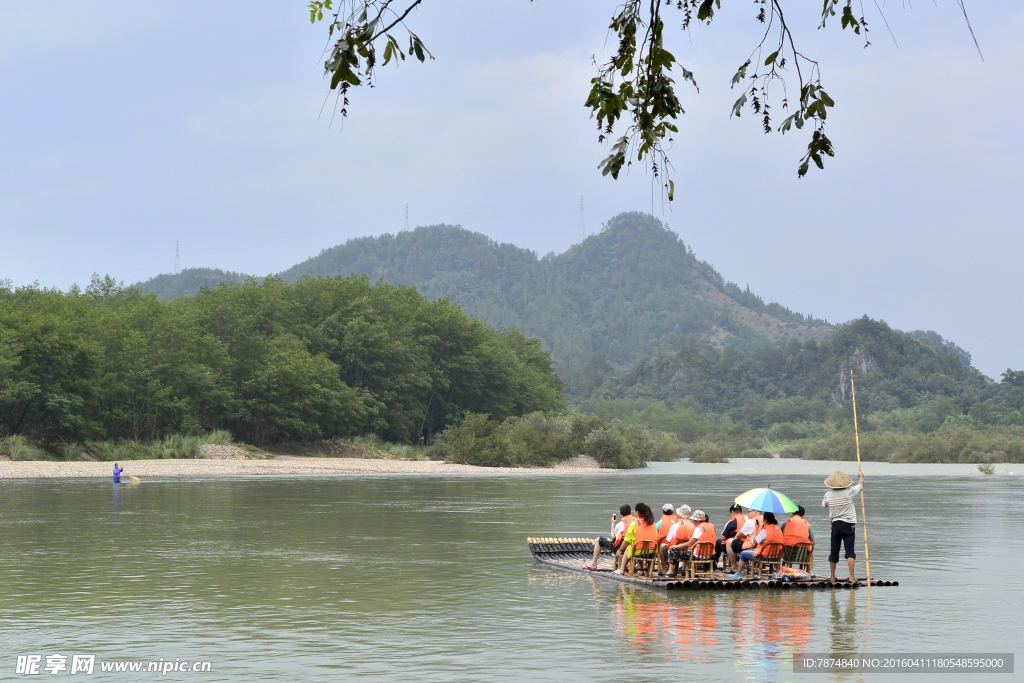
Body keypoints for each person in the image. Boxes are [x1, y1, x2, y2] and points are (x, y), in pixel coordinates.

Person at [822, 470, 865, 583]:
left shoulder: (828, 494)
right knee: (850, 551)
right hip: (848, 525)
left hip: (835, 525)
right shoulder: (849, 491)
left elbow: (824, 505)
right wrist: (861, 476)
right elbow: (860, 486)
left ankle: (832, 577)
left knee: (834, 551)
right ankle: (851, 577)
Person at [731, 511, 782, 578]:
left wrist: (757, 528)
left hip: (765, 557)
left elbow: (755, 541)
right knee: (754, 549)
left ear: (766, 520)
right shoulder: (778, 529)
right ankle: (757, 571)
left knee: (743, 554)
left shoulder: (765, 530)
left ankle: (738, 573)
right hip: (776, 556)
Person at [583, 504, 634, 570]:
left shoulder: (620, 525)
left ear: (620, 513)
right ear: (631, 512)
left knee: (599, 540)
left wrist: (613, 524)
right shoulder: (636, 522)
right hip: (635, 549)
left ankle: (593, 564)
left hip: (622, 550)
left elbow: (613, 537)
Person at [665, 510, 715, 577]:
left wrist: (676, 546)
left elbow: (689, 543)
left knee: (673, 550)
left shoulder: (699, 528)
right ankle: (689, 570)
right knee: (687, 551)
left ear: (696, 520)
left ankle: (670, 572)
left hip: (697, 556)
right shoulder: (711, 527)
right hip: (708, 556)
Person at [615, 503, 658, 575]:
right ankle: (642, 570)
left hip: (638, 553)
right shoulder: (652, 523)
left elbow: (627, 539)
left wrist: (620, 550)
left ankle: (621, 569)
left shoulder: (634, 523)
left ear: (637, 512)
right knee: (639, 546)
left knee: (630, 547)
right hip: (652, 553)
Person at [725, 508, 761, 574]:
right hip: (763, 548)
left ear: (755, 512)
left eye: (749, 512)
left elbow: (738, 536)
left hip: (752, 547)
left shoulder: (751, 522)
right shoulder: (766, 521)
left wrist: (736, 538)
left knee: (729, 542)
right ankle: (754, 567)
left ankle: (734, 567)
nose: (748, 514)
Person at [659, 506, 694, 571]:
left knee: (662, 546)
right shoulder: (693, 526)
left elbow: (667, 541)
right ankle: (683, 568)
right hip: (688, 553)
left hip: (675, 553)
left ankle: (664, 569)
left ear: (679, 515)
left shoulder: (674, 526)